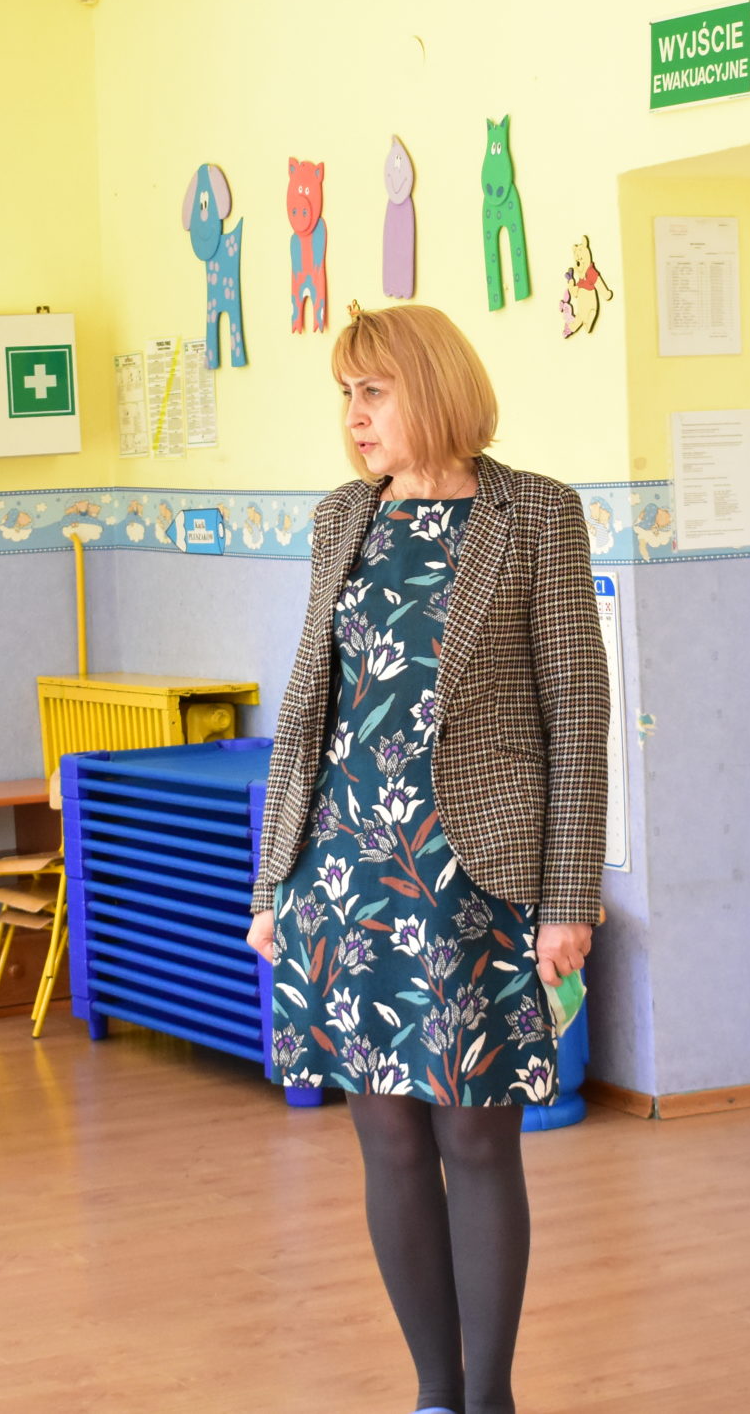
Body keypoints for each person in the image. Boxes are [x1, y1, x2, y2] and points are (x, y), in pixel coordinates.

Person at [247, 303, 607, 1414]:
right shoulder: (341, 518)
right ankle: (434, 1394)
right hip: (345, 869)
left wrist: (569, 897)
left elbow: (578, 714)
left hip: (473, 873)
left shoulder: (535, 512)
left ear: (434, 389)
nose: (353, 417)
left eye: (373, 392)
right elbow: (308, 709)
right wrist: (272, 884)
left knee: (476, 1133)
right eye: (344, 396)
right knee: (387, 1131)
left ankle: (489, 1397)